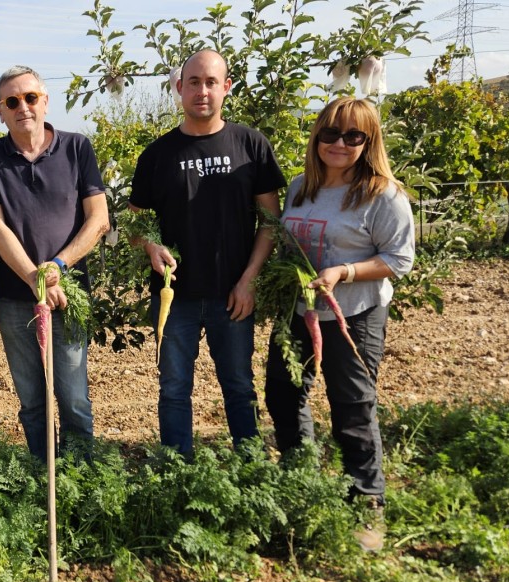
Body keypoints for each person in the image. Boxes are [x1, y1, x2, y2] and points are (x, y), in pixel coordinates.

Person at [264, 96, 414, 551]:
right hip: (300, 310)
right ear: (317, 137)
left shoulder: (382, 194)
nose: (340, 143)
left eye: (354, 136)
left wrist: (343, 272)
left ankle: (367, 503)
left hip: (355, 314)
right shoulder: (300, 187)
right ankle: (302, 480)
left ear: (369, 142)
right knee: (283, 395)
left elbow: (399, 259)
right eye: (331, 133)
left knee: (352, 405)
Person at [128, 49, 286, 459]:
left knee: (238, 385)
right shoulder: (157, 155)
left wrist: (249, 280)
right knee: (174, 389)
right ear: (179, 88)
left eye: (211, 82)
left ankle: (249, 466)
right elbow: (136, 224)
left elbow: (271, 222)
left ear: (226, 87)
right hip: (174, 297)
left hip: (233, 294)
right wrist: (150, 245)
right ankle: (177, 471)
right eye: (193, 82)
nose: (202, 90)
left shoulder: (251, 144)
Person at [0, 65, 110, 460]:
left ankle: (81, 477)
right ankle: (41, 475)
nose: (23, 107)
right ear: (0, 111)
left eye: (30, 98)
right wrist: (36, 278)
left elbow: (98, 219)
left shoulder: (76, 147)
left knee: (74, 399)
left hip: (68, 294)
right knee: (32, 401)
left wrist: (58, 268)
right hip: (17, 298)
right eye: (11, 101)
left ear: (45, 101)